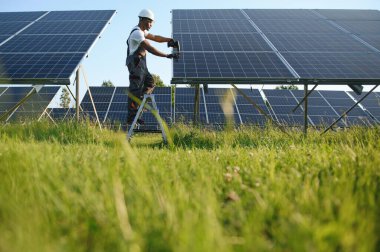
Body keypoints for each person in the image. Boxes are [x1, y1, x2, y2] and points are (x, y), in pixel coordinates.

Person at [126, 9, 178, 125]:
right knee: (135, 89)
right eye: (150, 22)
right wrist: (166, 55)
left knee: (151, 82)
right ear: (143, 20)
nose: (151, 25)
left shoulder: (142, 32)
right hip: (136, 64)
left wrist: (168, 40)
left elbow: (155, 37)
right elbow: (150, 48)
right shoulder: (137, 33)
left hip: (141, 64)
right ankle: (131, 117)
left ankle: (139, 105)